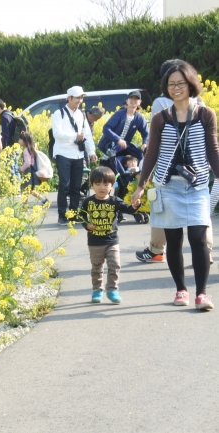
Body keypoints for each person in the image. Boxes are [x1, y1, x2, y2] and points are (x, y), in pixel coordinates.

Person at [131, 60, 219, 310]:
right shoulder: (160, 118)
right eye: (171, 84)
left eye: (181, 83)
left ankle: (202, 293)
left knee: (198, 238)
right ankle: (181, 289)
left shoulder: (205, 114)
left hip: (198, 185)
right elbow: (152, 154)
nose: (176, 88)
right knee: (174, 239)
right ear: (166, 88)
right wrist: (140, 186)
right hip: (168, 186)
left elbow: (213, 150)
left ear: (191, 84)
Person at [80, 166, 140, 303]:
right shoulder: (88, 201)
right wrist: (86, 225)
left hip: (111, 241)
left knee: (114, 265)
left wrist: (135, 206)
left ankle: (112, 289)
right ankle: (97, 290)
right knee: (97, 268)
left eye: (106, 184)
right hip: (95, 242)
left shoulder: (114, 201)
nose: (102, 187)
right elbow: (80, 215)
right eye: (98, 184)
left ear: (112, 185)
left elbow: (128, 210)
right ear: (92, 185)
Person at [51, 86, 98, 226]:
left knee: (76, 187)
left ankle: (73, 214)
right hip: (63, 153)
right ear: (69, 98)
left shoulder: (82, 115)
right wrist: (75, 136)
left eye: (81, 97)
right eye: (77, 97)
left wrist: (92, 152)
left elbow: (87, 135)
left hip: (78, 155)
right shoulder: (59, 114)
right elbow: (57, 134)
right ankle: (62, 215)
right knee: (64, 185)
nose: (80, 100)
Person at [98, 90, 149, 161]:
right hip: (108, 146)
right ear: (127, 100)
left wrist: (145, 143)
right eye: (131, 98)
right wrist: (118, 140)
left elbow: (146, 133)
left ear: (139, 102)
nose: (133, 100)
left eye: (136, 98)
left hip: (122, 150)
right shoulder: (119, 114)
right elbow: (106, 128)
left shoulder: (139, 118)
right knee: (109, 165)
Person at [18, 132, 49, 205]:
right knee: (30, 189)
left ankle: (24, 204)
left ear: (24, 141)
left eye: (20, 139)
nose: (18, 141)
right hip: (33, 170)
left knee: (26, 188)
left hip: (29, 171)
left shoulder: (26, 150)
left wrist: (21, 169)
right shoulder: (32, 148)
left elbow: (27, 163)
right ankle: (43, 199)